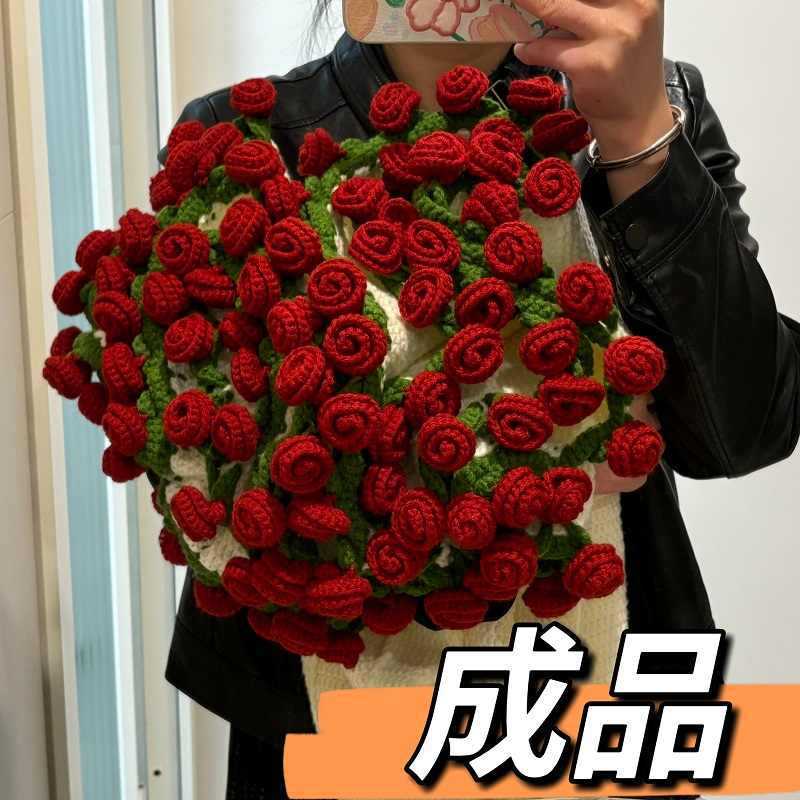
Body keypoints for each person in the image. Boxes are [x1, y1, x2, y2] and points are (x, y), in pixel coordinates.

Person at [159, 2, 800, 796]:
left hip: (593, 680)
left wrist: (635, 131)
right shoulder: (246, 134)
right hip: (328, 695)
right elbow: (211, 470)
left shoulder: (651, 104)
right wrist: (554, 454)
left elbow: (744, 429)